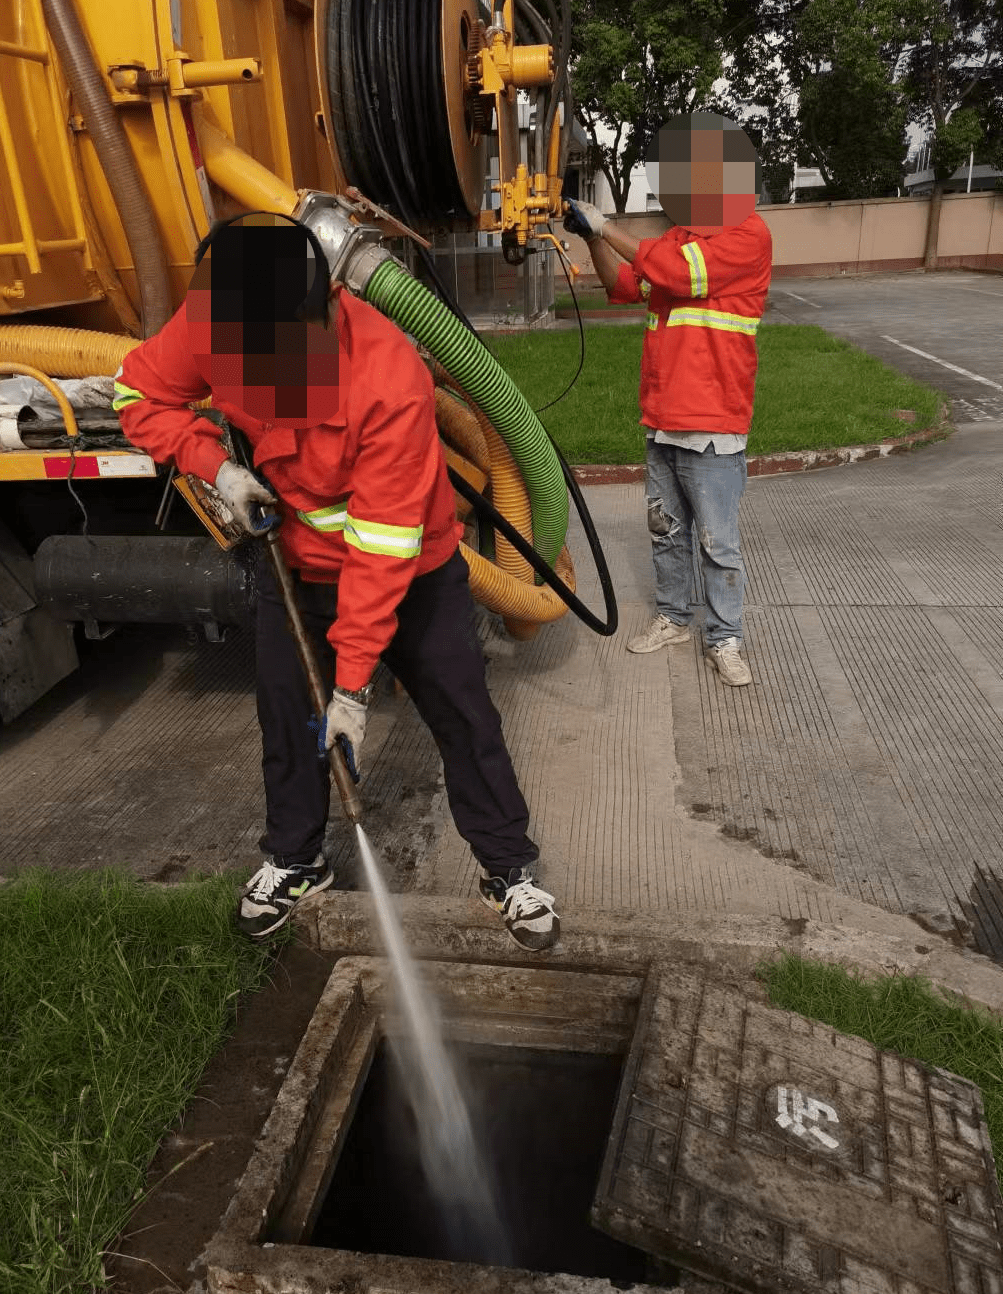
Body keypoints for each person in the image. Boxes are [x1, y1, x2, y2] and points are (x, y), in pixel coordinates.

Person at [112, 213, 558, 951]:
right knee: (287, 719)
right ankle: (296, 859)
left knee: (463, 716)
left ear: (324, 312)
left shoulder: (387, 378)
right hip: (293, 563)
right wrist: (214, 465)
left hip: (410, 573)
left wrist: (353, 688)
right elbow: (137, 396)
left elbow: (381, 551)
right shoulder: (212, 323)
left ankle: (508, 868)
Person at [565, 112, 772, 687]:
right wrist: (590, 234)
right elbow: (620, 286)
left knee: (718, 544)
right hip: (662, 422)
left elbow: (676, 278)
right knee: (667, 532)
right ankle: (674, 619)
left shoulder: (746, 235)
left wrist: (610, 229)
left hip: (713, 424)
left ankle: (725, 638)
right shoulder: (675, 241)